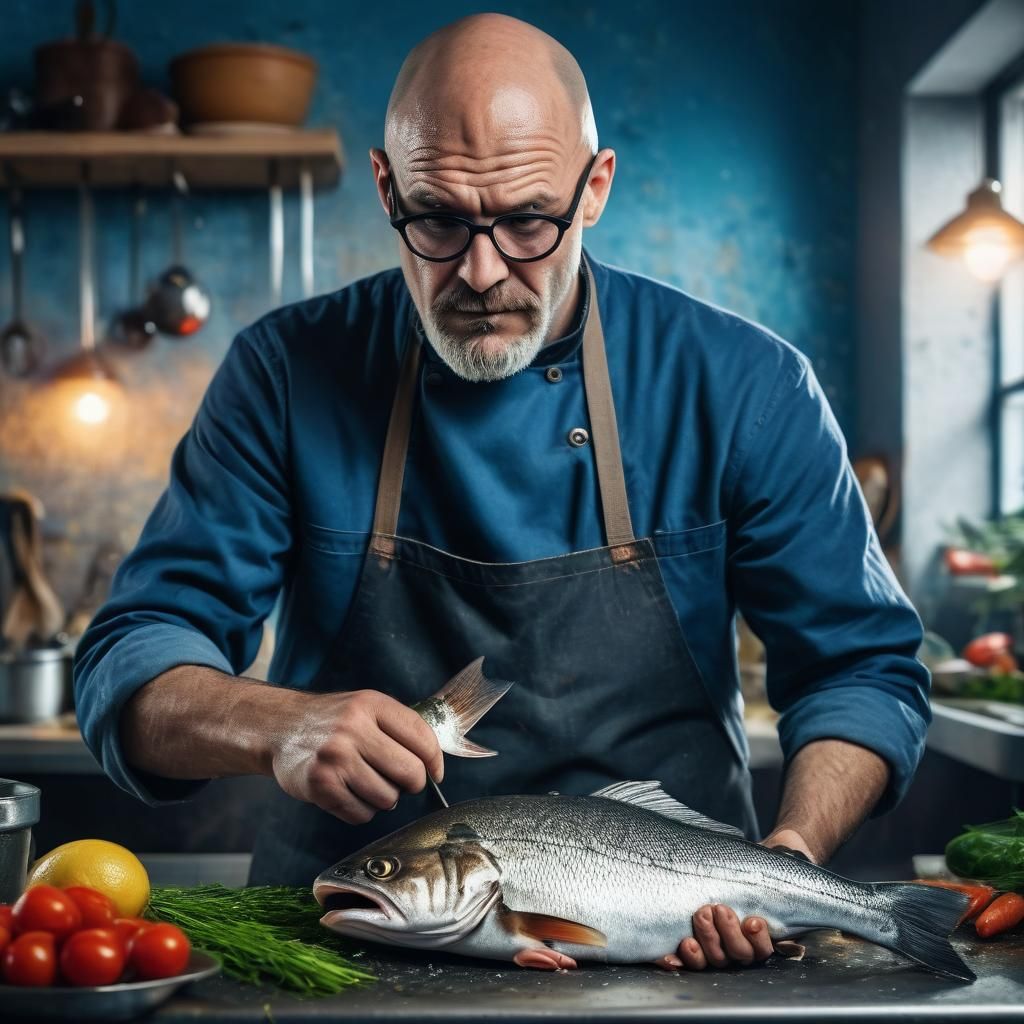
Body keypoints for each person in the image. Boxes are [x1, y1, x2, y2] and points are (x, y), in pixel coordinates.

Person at [74, 14, 930, 972]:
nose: (481, 273)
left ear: (594, 188)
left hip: (676, 959)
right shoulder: (284, 373)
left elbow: (862, 668)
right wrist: (275, 722)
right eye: (438, 218)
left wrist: (790, 865)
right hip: (348, 950)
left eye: (527, 220)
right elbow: (128, 664)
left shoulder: (744, 386)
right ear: (386, 187)